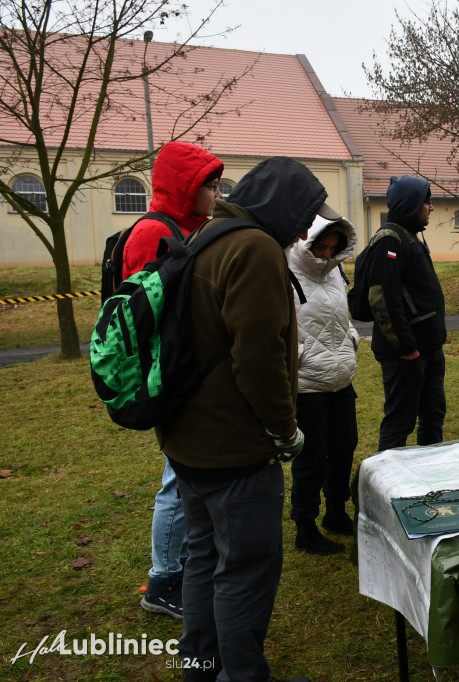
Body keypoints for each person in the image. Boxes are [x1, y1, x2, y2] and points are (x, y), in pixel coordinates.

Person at [158, 156, 337, 681]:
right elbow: (258, 359)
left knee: (204, 562)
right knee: (244, 571)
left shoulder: (209, 234)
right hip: (234, 449)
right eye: (304, 215)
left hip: (189, 440)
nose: (307, 229)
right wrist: (285, 431)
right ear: (280, 205)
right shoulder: (255, 248)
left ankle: (200, 670)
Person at [121, 141, 224, 620]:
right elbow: (146, 312)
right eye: (209, 183)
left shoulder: (188, 228)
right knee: (176, 479)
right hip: (169, 375)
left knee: (184, 477)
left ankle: (183, 566)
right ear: (186, 186)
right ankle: (163, 580)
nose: (216, 190)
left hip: (186, 372)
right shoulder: (153, 232)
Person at [287, 215, 360, 554]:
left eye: (334, 248)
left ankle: (335, 512)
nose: (327, 254)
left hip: (340, 380)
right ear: (307, 243)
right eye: (321, 247)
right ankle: (305, 527)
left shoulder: (335, 273)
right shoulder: (285, 271)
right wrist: (300, 355)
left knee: (344, 447)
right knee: (311, 458)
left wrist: (351, 339)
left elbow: (340, 316)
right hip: (308, 386)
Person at [366, 175, 447, 452]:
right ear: (411, 204)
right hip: (406, 356)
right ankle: (386, 485)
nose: (431, 208)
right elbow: (382, 298)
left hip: (430, 350)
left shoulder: (411, 237)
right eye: (427, 202)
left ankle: (432, 475)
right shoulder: (389, 241)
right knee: (400, 423)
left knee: (433, 418)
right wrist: (406, 348)